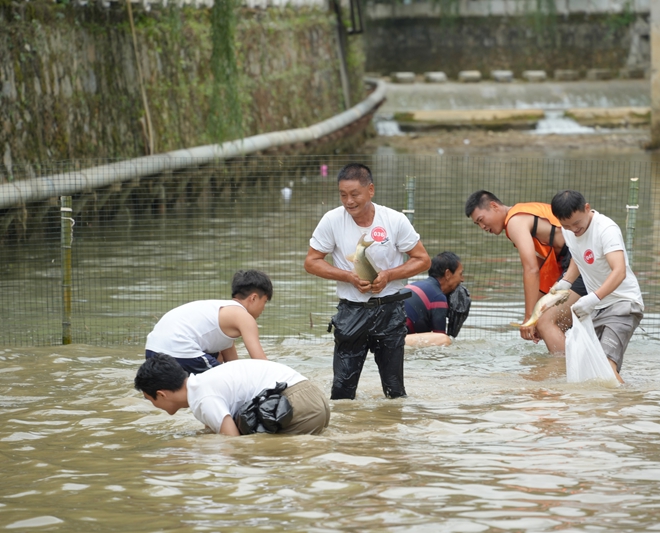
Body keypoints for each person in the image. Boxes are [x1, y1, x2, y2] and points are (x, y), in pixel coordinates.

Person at [304, 163, 431, 400]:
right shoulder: (332, 220)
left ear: (370, 190)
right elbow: (312, 262)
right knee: (341, 392)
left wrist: (389, 275)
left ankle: (391, 433)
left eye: (354, 194)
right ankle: (345, 434)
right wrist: (348, 277)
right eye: (343, 195)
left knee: (395, 391)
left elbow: (423, 260)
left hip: (390, 310)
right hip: (351, 311)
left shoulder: (394, 220)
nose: (349, 201)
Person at [464, 190, 587, 353]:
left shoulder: (515, 221)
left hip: (578, 259)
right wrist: (535, 313)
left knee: (546, 323)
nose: (482, 227)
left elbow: (531, 269)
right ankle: (565, 366)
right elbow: (543, 267)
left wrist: (530, 317)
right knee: (548, 322)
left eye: (481, 220)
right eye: (477, 224)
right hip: (572, 260)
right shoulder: (519, 217)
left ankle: (561, 372)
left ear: (494, 206)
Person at [550, 189, 644, 384]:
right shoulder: (569, 231)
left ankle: (631, 408)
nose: (574, 229)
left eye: (576, 223)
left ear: (587, 208)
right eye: (566, 225)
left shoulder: (605, 229)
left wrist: (593, 298)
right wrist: (565, 282)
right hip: (597, 309)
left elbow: (619, 271)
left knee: (605, 369)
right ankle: (601, 411)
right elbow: (578, 255)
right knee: (589, 369)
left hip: (622, 304)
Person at [135, 353, 329, 436]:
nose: (152, 405)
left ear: (161, 394)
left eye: (149, 399)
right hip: (310, 398)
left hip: (297, 406)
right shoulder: (203, 383)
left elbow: (232, 443)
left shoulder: (202, 399)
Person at [145, 269, 272, 373]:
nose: (264, 308)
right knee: (226, 384)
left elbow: (233, 365)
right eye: (264, 302)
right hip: (178, 350)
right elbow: (260, 362)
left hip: (153, 351)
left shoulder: (219, 311)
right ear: (254, 298)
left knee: (220, 361)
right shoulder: (244, 317)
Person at [404, 251, 468, 347]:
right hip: (391, 339)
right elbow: (439, 339)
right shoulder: (438, 297)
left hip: (380, 334)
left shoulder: (417, 285)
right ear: (448, 274)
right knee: (443, 339)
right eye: (460, 274)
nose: (462, 279)